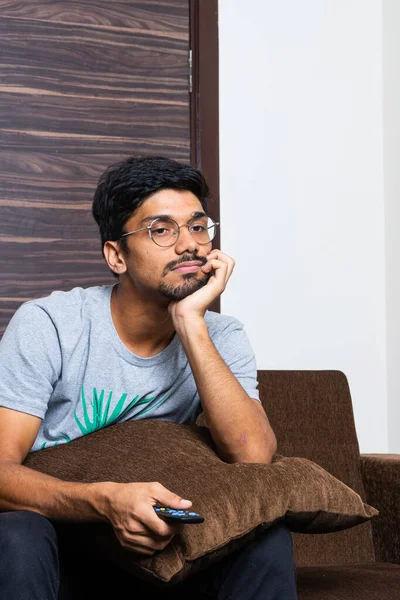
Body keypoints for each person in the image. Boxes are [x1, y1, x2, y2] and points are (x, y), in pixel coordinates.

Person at [0, 155, 298, 599]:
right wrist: (104, 502)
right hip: (64, 545)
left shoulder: (222, 334)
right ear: (116, 255)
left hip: (164, 551)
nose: (189, 246)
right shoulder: (51, 324)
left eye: (198, 227)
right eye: (162, 230)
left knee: (266, 538)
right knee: (18, 533)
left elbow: (253, 456)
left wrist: (192, 322)